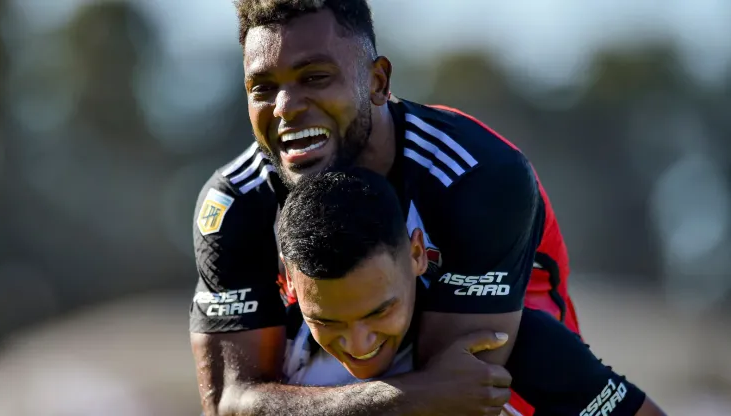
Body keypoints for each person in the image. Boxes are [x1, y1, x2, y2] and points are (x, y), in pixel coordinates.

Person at [191, 0, 571, 414]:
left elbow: (460, 394)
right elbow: (231, 403)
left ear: (377, 82)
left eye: (315, 77)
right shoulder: (236, 203)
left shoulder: (477, 176)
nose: (284, 107)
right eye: (262, 87)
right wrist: (414, 395)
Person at [274, 168, 665, 416]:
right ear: (289, 283)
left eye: (379, 311)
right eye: (327, 321)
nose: (359, 343)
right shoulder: (275, 354)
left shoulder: (515, 346)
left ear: (417, 254)